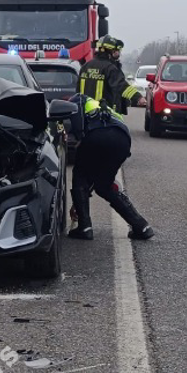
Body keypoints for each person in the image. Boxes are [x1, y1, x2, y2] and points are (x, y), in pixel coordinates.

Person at [66, 94, 154, 241]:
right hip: (122, 140)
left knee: (80, 175)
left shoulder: (78, 100)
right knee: (104, 185)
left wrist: (78, 200)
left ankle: (84, 227)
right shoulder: (105, 108)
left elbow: (76, 128)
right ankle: (142, 227)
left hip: (96, 136)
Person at [77, 35, 146, 115]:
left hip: (85, 112)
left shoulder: (85, 66)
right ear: (111, 51)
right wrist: (138, 97)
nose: (118, 53)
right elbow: (121, 86)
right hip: (104, 113)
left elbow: (78, 90)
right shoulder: (110, 68)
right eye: (116, 51)